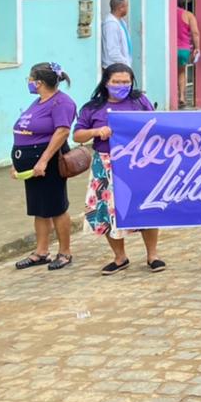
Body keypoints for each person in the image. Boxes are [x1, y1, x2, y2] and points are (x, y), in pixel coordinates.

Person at [73, 63, 164, 273]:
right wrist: (96, 132)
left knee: (145, 206)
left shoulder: (139, 101)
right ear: (106, 82)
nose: (122, 86)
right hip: (105, 163)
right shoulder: (93, 108)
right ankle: (120, 257)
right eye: (117, 82)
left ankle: (153, 255)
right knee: (106, 209)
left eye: (126, 82)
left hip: (138, 162)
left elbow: (155, 124)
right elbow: (77, 135)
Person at [11, 62, 76, 271]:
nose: (28, 82)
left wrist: (43, 160)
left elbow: (62, 132)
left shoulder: (61, 103)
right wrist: (17, 163)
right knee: (39, 209)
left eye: (30, 78)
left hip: (48, 163)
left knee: (57, 207)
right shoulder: (39, 102)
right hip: (30, 166)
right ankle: (41, 251)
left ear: (38, 82)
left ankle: (65, 252)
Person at [174, 0, 199, 107]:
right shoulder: (188, 15)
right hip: (184, 50)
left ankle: (172, 97)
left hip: (170, 49)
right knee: (181, 72)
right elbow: (195, 33)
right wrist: (197, 47)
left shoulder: (167, 13)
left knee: (170, 73)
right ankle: (182, 97)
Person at [100, 0, 132, 69]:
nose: (127, 8)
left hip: (122, 66)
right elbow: (113, 51)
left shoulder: (121, 22)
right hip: (115, 68)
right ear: (120, 8)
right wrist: (125, 63)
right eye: (126, 6)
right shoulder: (111, 24)